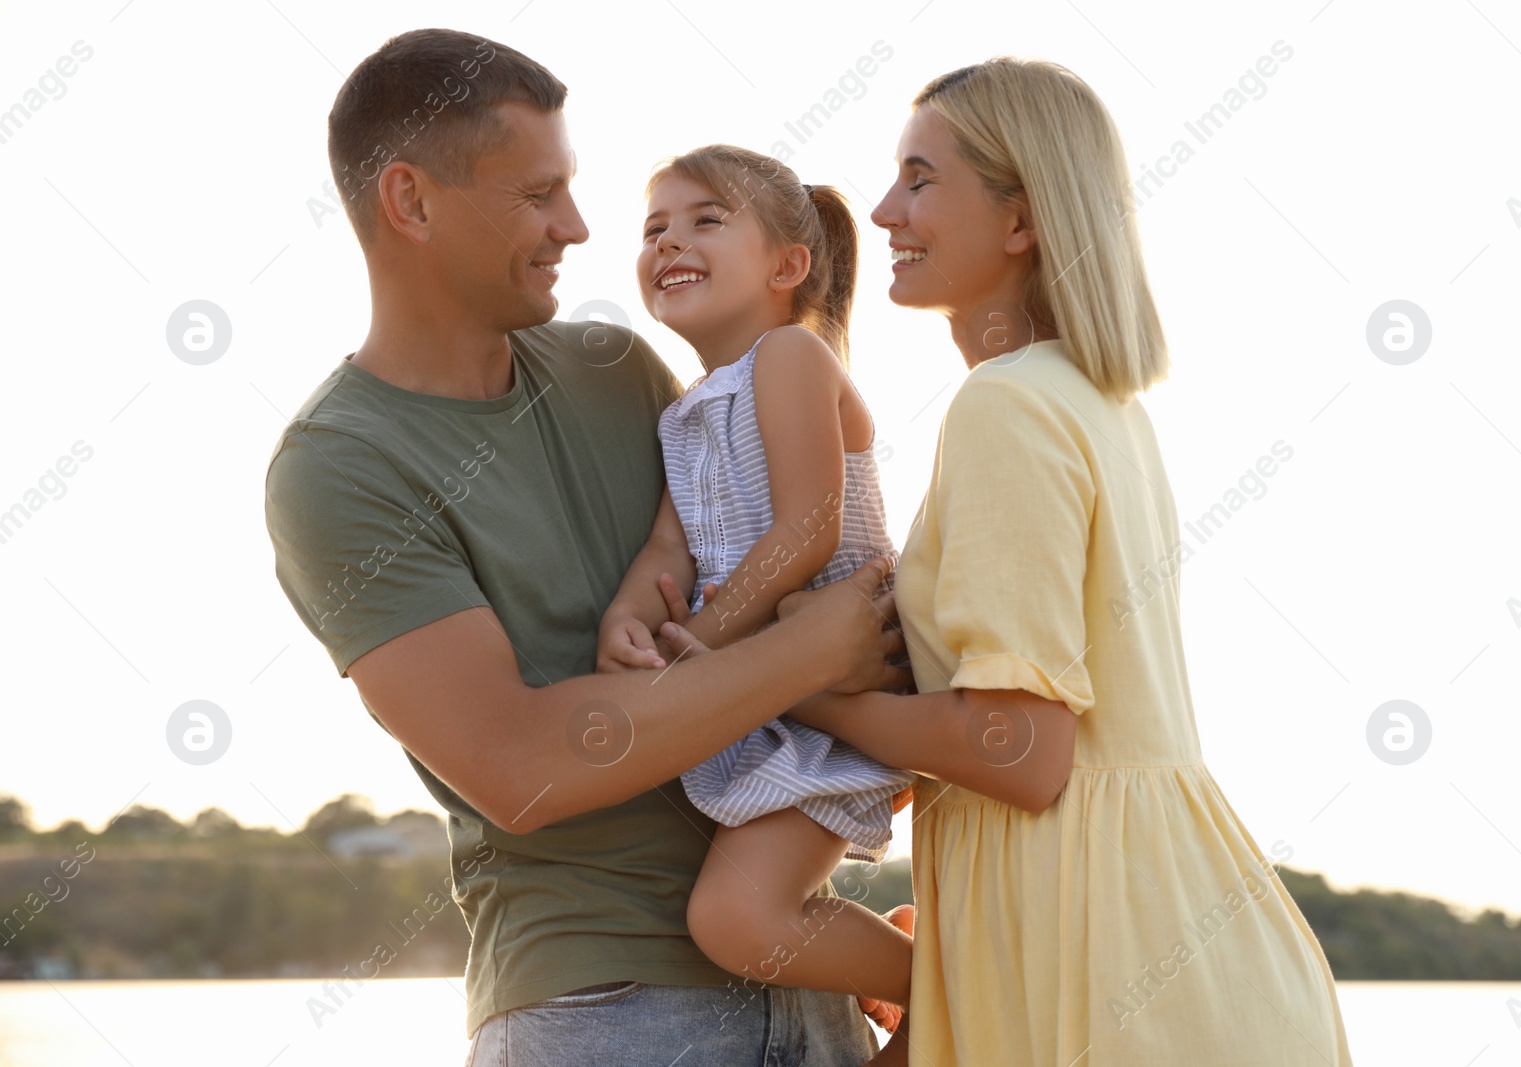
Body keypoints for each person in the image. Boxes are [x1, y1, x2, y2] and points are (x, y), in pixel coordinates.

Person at [263, 28, 903, 1067]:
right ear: (411, 202)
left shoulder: (616, 368)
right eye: (536, 194)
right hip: (602, 1010)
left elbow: (736, 549)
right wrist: (811, 653)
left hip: (807, 982)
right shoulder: (338, 467)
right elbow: (517, 763)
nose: (576, 225)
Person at [784, 58, 1355, 1065]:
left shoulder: (1006, 405)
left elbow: (1020, 747)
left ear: (1021, 221)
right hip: (1176, 944)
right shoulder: (1100, 406)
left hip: (1101, 957)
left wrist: (793, 688)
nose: (881, 211)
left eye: (920, 178)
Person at [595, 144, 917, 1030]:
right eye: (654, 227)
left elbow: (809, 529)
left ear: (788, 266)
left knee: (735, 917)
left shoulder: (790, 357)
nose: (670, 241)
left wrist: (707, 640)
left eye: (704, 219)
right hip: (770, 698)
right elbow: (671, 547)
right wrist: (631, 616)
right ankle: (912, 964)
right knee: (741, 907)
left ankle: (944, 981)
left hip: (843, 690)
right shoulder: (686, 410)